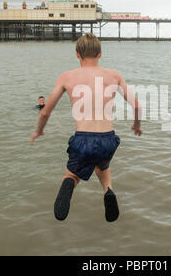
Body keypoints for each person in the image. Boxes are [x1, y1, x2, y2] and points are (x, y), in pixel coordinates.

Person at [30, 33, 142, 222]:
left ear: (77, 54)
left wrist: (39, 130)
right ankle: (108, 191)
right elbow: (137, 105)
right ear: (100, 54)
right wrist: (136, 125)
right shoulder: (114, 75)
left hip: (84, 138)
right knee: (102, 166)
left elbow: (45, 112)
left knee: (72, 175)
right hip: (109, 138)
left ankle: (69, 184)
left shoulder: (67, 77)